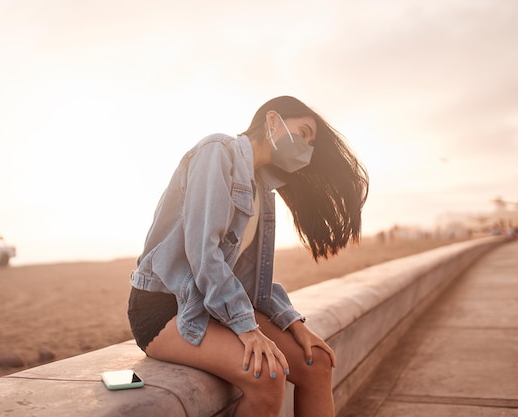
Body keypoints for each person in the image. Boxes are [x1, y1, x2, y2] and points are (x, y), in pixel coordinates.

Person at [128, 96, 369, 417]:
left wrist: (292, 322)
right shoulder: (216, 151)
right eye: (304, 132)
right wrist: (247, 329)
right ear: (272, 121)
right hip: (166, 308)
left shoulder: (261, 189)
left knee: (317, 363)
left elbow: (250, 279)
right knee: (266, 374)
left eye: (310, 142)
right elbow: (203, 252)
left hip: (211, 307)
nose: (306, 146)